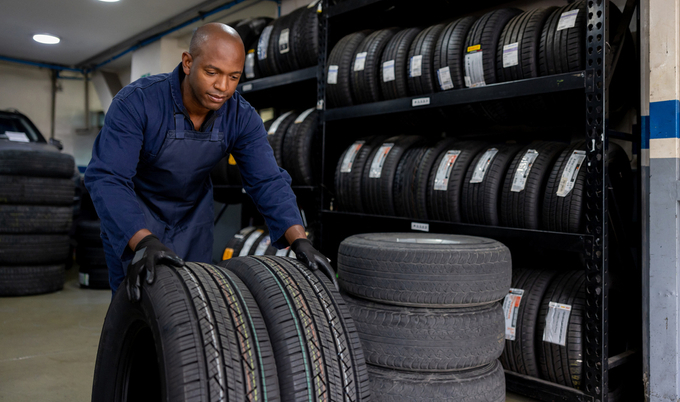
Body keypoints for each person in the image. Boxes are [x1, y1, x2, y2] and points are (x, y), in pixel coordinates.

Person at [84, 23, 335, 300]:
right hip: (134, 217)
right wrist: (142, 240)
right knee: (137, 312)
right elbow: (107, 178)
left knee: (194, 312)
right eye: (212, 72)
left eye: (233, 77)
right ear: (188, 62)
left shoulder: (241, 117)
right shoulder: (137, 103)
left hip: (193, 221)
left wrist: (299, 238)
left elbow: (268, 180)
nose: (222, 87)